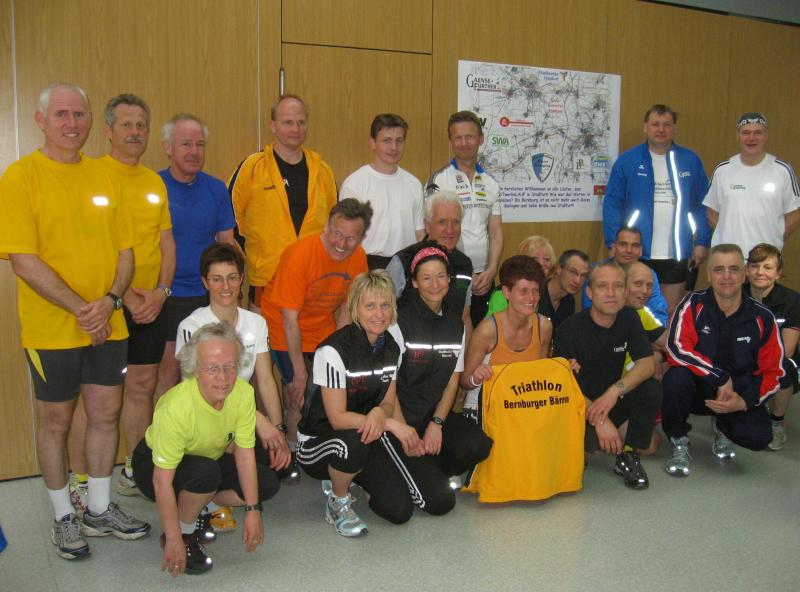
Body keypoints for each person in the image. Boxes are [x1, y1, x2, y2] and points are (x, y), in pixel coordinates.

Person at [0, 83, 150, 560]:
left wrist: (109, 301)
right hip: (52, 330)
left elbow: (126, 252)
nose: (71, 123)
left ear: (90, 122)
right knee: (56, 423)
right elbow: (23, 261)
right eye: (61, 115)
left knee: (105, 415)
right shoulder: (20, 177)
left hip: (109, 323)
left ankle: (99, 509)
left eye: (79, 115)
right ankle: (64, 516)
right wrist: (83, 309)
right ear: (41, 120)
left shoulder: (105, 176)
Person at [132, 323, 278, 576]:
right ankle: (186, 531)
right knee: (205, 473)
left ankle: (198, 506)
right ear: (195, 369)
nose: (223, 377)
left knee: (266, 484)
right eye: (212, 368)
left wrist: (253, 510)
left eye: (230, 366)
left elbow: (244, 455)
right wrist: (174, 538)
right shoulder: (175, 407)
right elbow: (160, 481)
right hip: (152, 466)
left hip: (207, 457)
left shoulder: (243, 393)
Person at [91, 94, 176, 499]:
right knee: (98, 395)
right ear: (108, 131)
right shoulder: (93, 176)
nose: (135, 132)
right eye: (126, 124)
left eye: (141, 125)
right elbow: (93, 245)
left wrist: (161, 293)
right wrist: (123, 295)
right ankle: (84, 480)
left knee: (143, 385)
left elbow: (166, 242)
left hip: (150, 305)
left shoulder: (153, 181)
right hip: (107, 303)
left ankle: (134, 467)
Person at [297, 270, 424, 534]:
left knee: (399, 510)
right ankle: (338, 499)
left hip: (366, 434)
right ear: (355, 308)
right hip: (319, 442)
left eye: (385, 305)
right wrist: (390, 424)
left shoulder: (391, 347)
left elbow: (388, 403)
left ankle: (353, 475)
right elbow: (337, 419)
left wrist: (380, 413)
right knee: (351, 444)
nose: (379, 314)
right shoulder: (333, 350)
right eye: (370, 306)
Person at [175, 244, 290, 530]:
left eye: (232, 277)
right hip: (203, 424)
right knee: (253, 478)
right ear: (205, 282)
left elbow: (265, 379)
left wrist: (278, 431)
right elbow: (197, 392)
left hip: (239, 420)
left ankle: (212, 498)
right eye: (217, 279)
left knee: (277, 468)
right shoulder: (192, 325)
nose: (225, 286)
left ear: (241, 279)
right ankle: (199, 498)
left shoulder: (256, 322)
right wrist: (258, 419)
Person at [662, 244, 784, 477]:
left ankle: (724, 426)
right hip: (698, 389)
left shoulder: (762, 317)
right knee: (675, 378)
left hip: (736, 393)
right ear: (709, 275)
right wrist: (719, 377)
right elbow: (677, 349)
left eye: (733, 269)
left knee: (759, 438)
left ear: (745, 273)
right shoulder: (692, 304)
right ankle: (679, 440)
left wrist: (744, 402)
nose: (726, 276)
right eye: (719, 269)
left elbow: (774, 372)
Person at [261, 199, 371, 455]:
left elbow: (347, 307)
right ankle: (293, 449)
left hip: (322, 326)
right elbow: (289, 319)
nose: (342, 244)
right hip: (282, 327)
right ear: (326, 227)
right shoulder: (299, 254)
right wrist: (299, 371)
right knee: (297, 391)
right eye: (337, 234)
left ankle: (319, 443)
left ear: (361, 238)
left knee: (328, 388)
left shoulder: (358, 258)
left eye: (351, 238)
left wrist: (337, 352)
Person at [388, 245, 493, 503]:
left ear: (449, 280)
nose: (434, 284)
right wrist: (404, 430)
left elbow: (452, 382)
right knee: (440, 502)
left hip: (431, 416)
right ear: (414, 282)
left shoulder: (455, 324)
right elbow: (387, 386)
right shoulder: (398, 321)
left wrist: (436, 423)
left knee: (479, 444)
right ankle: (413, 472)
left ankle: (428, 470)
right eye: (426, 278)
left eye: (440, 276)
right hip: (398, 420)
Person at [554, 261, 662, 489]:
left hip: (610, 400)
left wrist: (613, 393)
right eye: (603, 286)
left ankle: (628, 455)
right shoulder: (569, 329)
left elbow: (646, 365)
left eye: (618, 286)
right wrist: (600, 420)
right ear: (589, 293)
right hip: (579, 406)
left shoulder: (629, 317)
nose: (611, 293)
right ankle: (589, 442)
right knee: (591, 448)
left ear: (625, 292)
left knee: (651, 437)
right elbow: (562, 385)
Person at [229, 94, 337, 310]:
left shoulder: (323, 171)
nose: (296, 129)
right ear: (273, 126)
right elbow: (229, 218)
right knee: (263, 334)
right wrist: (255, 258)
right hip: (267, 280)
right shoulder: (253, 167)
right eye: (288, 122)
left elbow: (335, 225)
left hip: (313, 282)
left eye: (301, 122)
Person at [157, 114, 239, 393]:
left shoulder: (216, 188)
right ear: (168, 147)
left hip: (209, 293)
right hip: (167, 294)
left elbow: (227, 244)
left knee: (218, 366)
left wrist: (233, 291)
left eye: (200, 144)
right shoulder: (154, 186)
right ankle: (171, 421)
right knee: (170, 369)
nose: (194, 152)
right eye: (186, 144)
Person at [603, 104, 711, 316]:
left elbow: (702, 205)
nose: (661, 129)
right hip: (636, 250)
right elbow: (613, 203)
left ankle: (667, 340)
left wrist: (702, 242)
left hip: (676, 252)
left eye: (666, 125)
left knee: (671, 311)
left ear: (674, 128)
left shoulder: (690, 161)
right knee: (634, 310)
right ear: (645, 127)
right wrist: (613, 241)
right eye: (655, 124)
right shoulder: (628, 161)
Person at [426, 110, 502, 327]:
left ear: (480, 139)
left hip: (484, 277)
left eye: (469, 136)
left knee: (481, 333)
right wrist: (460, 268)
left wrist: (491, 271)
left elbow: (496, 232)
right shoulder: (439, 180)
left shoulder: (491, 183)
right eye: (458, 137)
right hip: (450, 273)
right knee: (452, 331)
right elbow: (434, 231)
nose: (464, 143)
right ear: (451, 142)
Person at [461, 256, 552, 420]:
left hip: (522, 408)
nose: (531, 298)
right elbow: (464, 381)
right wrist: (475, 377)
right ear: (506, 292)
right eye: (523, 291)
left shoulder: (544, 326)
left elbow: (541, 375)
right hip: (484, 410)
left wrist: (563, 369)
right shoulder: (487, 330)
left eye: (535, 290)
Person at [704, 112, 800, 258]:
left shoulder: (783, 171)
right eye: (746, 133)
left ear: (766, 135)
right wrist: (729, 235)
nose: (752, 138)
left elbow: (795, 214)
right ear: (738, 136)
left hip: (765, 259)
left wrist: (773, 237)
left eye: (758, 132)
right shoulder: (722, 170)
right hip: (729, 259)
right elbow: (711, 212)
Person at [340, 113, 424, 269]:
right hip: (367, 265)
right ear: (372, 143)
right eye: (386, 141)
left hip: (405, 265)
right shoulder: (355, 184)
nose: (394, 147)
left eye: (399, 141)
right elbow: (346, 237)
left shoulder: (414, 184)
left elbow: (419, 234)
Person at [386, 191, 474, 331]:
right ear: (427, 225)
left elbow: (465, 317)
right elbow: (383, 315)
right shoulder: (402, 263)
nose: (450, 230)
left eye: (455, 222)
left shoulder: (464, 264)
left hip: (450, 342)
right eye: (442, 222)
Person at [743, 243, 800, 450]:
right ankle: (725, 415)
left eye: (767, 267)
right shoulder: (733, 295)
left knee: (784, 367)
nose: (760, 272)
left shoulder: (793, 301)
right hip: (741, 355)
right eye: (755, 266)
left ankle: (777, 421)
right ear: (746, 270)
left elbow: (788, 348)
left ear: (778, 273)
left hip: (777, 357)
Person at [487, 246, 590, 330]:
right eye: (573, 272)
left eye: (583, 276)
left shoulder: (569, 301)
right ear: (558, 269)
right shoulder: (530, 296)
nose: (578, 280)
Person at [583, 226, 668, 324]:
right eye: (623, 245)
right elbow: (591, 311)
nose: (629, 250)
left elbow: (658, 314)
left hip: (639, 328)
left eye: (635, 246)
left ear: (641, 250)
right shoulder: (597, 272)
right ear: (614, 248)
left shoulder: (648, 274)